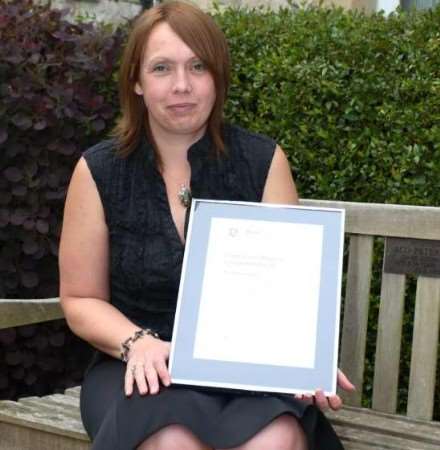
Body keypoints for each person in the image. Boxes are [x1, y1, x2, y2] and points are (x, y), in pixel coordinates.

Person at [59, 1, 355, 449]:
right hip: (137, 367)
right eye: (162, 68)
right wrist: (136, 341)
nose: (182, 85)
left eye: (198, 66)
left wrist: (303, 360)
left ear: (217, 77)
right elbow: (81, 298)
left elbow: (290, 296)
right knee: (173, 440)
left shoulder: (263, 162)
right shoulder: (99, 171)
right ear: (136, 81)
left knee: (276, 436)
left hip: (247, 371)